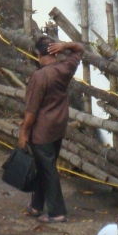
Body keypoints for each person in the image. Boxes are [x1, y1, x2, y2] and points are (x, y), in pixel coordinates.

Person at [18, 30, 84, 223]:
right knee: (43, 166)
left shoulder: (39, 77)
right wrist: (66, 45)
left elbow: (31, 111)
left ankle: (57, 212)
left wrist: (24, 133)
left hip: (42, 131)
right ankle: (36, 205)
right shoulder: (65, 68)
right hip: (58, 127)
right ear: (55, 52)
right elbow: (80, 49)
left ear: (39, 55)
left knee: (48, 170)